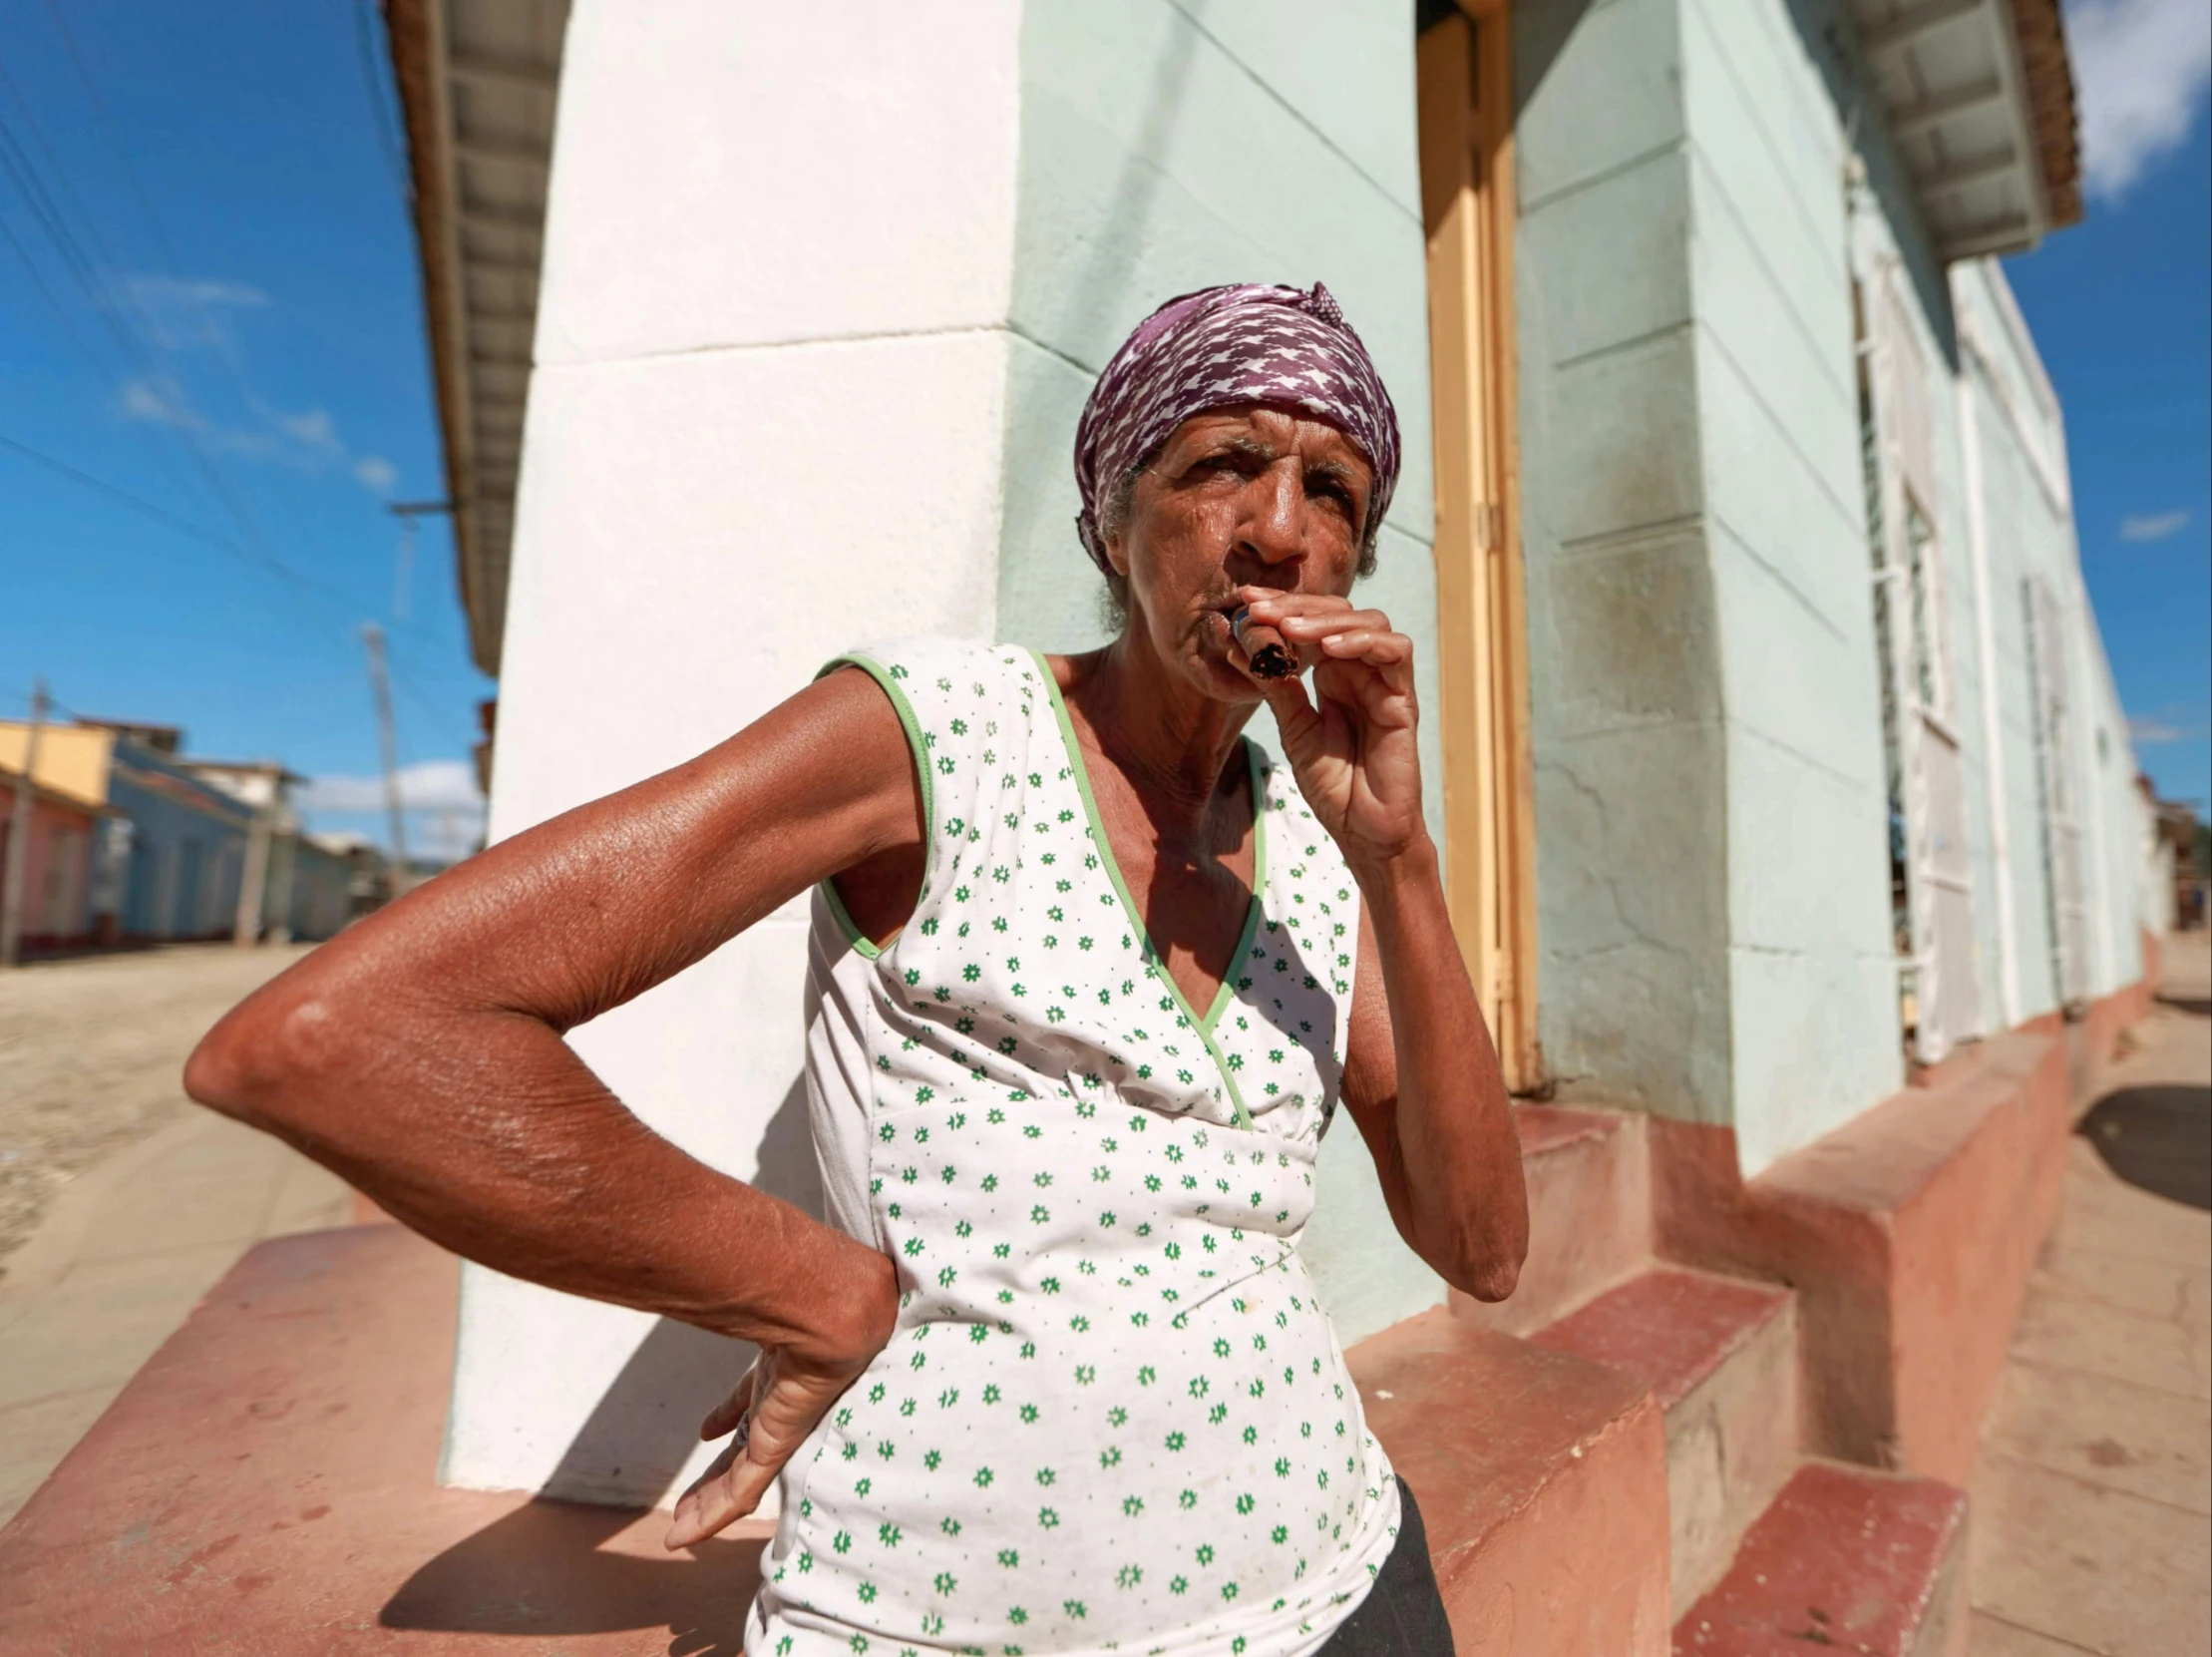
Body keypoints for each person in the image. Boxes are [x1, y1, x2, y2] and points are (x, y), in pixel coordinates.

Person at [186, 280, 1529, 1657]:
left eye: (1334, 493)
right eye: (1220, 464)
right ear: (1113, 522)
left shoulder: (1319, 851)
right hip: (938, 1621)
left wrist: (1398, 856)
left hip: (1342, 1583)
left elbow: (1481, 1251)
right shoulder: (940, 735)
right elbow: (339, 1036)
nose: (1278, 530)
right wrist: (810, 1288)